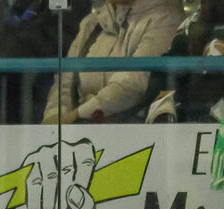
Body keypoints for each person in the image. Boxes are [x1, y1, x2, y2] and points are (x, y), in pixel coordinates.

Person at [42, 0, 183, 124]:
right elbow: (64, 80)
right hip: (77, 132)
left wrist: (75, 116)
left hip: (131, 136)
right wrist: (55, 114)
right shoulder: (92, 22)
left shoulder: (166, 19)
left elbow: (132, 84)